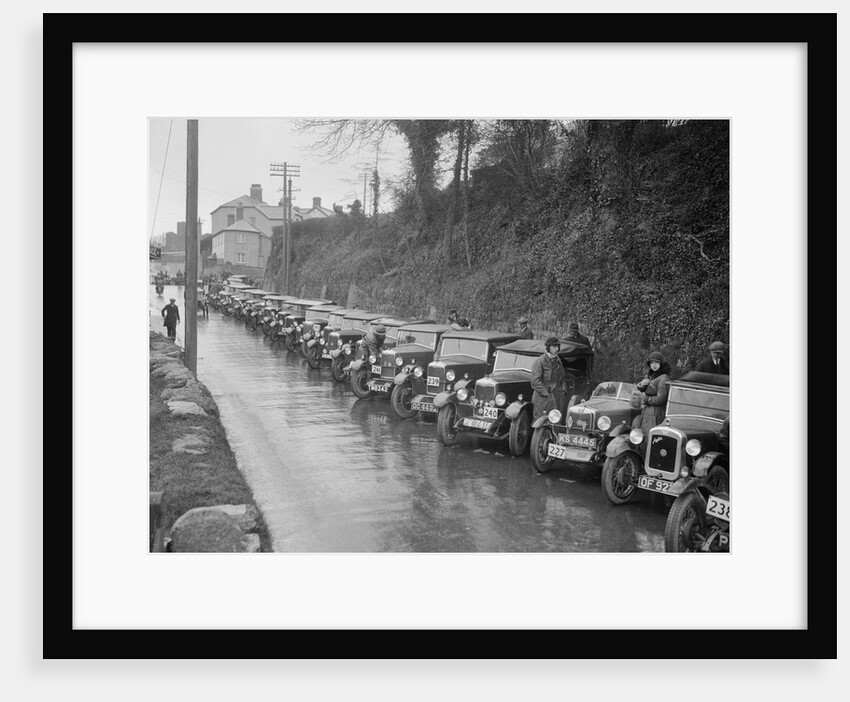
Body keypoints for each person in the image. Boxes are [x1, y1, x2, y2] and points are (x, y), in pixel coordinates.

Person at [632, 351, 671, 433]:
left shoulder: (663, 378)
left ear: (661, 364)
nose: (654, 365)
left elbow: (661, 399)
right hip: (647, 411)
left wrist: (645, 398)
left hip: (656, 413)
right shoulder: (651, 376)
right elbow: (649, 389)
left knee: (652, 435)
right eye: (652, 362)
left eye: (657, 362)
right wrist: (641, 387)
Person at [530, 336, 566, 419]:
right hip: (542, 399)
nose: (557, 349)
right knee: (540, 422)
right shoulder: (540, 361)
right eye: (554, 347)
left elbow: (563, 377)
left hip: (556, 398)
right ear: (548, 348)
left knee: (556, 421)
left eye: (558, 347)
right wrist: (546, 394)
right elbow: (535, 382)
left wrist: (563, 391)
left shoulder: (558, 360)